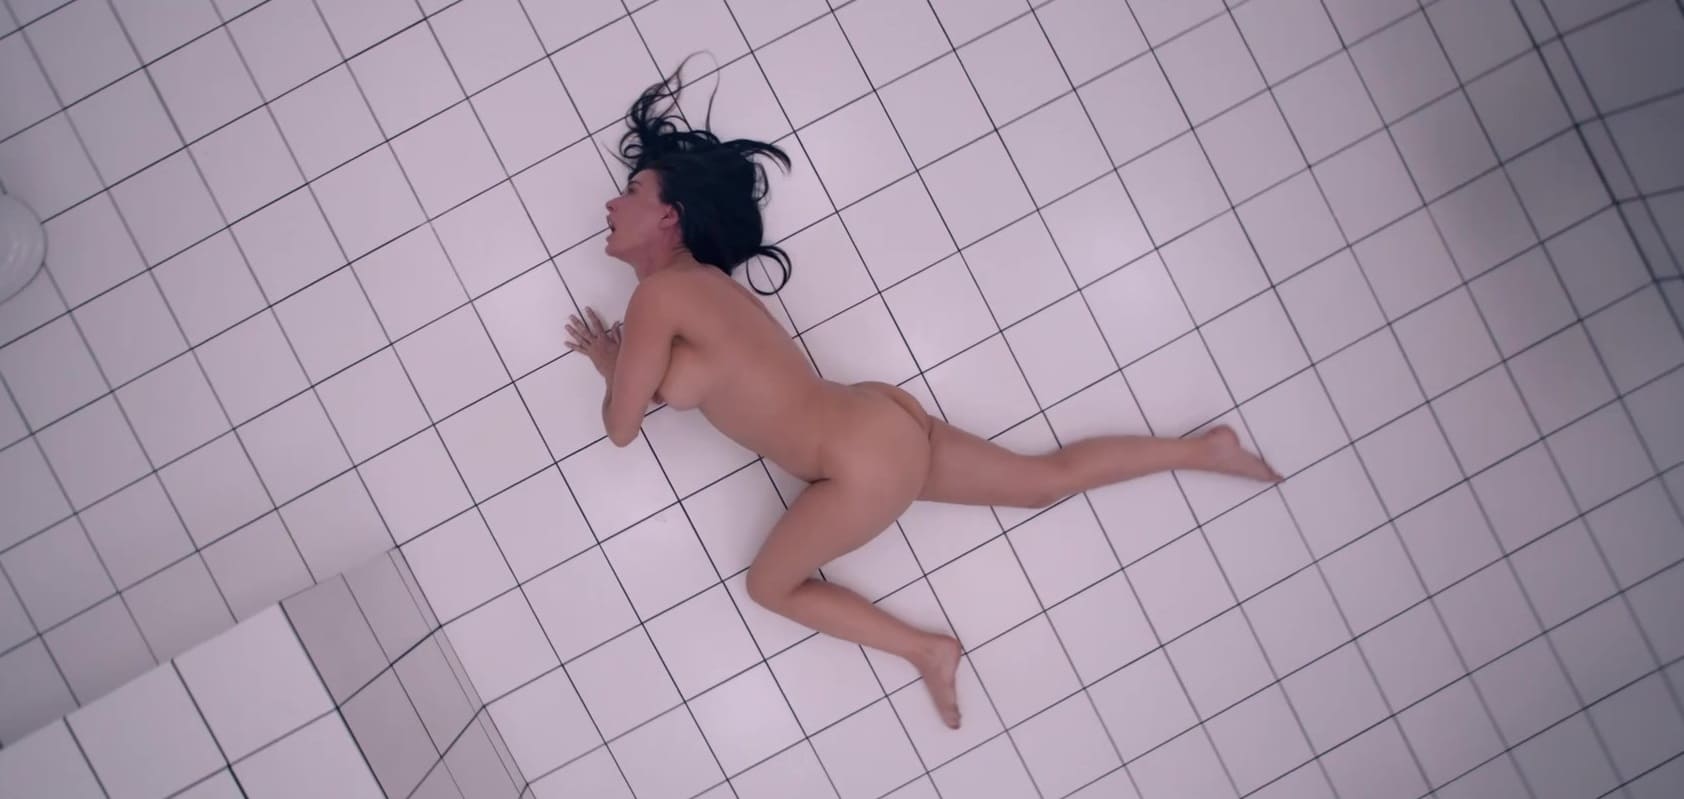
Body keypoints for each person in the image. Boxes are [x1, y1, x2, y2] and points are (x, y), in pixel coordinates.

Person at [565, 67, 1282, 730]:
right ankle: (1202, 450)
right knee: (1042, 482)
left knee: (769, 586)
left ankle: (926, 649)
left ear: (670, 217)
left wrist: (609, 365)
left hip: (856, 462)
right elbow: (691, 382)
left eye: (632, 192)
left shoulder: (660, 297)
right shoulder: (701, 289)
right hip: (876, 421)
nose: (610, 203)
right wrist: (629, 366)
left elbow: (622, 427)